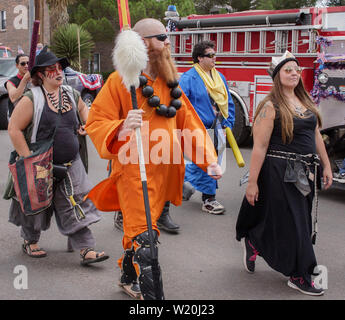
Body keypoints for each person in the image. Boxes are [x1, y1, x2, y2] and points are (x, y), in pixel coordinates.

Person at [85, 18, 222, 300]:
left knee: (142, 230)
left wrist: (208, 159)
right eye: (162, 37)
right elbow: (96, 121)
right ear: (144, 43)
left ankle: (127, 274)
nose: (168, 42)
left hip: (164, 173)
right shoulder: (118, 82)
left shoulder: (170, 83)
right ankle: (152, 297)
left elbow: (189, 124)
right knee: (146, 239)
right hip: (134, 172)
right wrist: (121, 126)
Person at [235, 51, 332, 296]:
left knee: (298, 220)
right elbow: (259, 146)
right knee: (296, 224)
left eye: (297, 70)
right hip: (279, 171)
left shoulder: (305, 102)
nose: (294, 74)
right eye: (288, 70)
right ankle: (299, 273)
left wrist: (327, 165)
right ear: (277, 76)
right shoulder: (270, 106)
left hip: (306, 173)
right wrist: (253, 182)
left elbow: (315, 135)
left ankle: (255, 240)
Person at [7, 47, 109, 265]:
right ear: (40, 75)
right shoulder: (31, 98)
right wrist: (29, 161)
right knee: (36, 205)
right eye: (51, 69)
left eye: (59, 67)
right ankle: (30, 241)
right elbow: (14, 129)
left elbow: (84, 110)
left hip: (71, 162)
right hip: (39, 162)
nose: (58, 71)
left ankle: (86, 249)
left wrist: (86, 125)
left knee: (77, 202)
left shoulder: (71, 94)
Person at [179, 40, 235, 215]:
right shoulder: (188, 78)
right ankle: (209, 199)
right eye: (210, 55)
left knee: (206, 162)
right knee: (210, 162)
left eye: (214, 55)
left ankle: (181, 182)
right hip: (198, 130)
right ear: (199, 58)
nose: (214, 58)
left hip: (218, 128)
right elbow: (182, 105)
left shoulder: (219, 77)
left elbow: (228, 101)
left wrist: (229, 122)